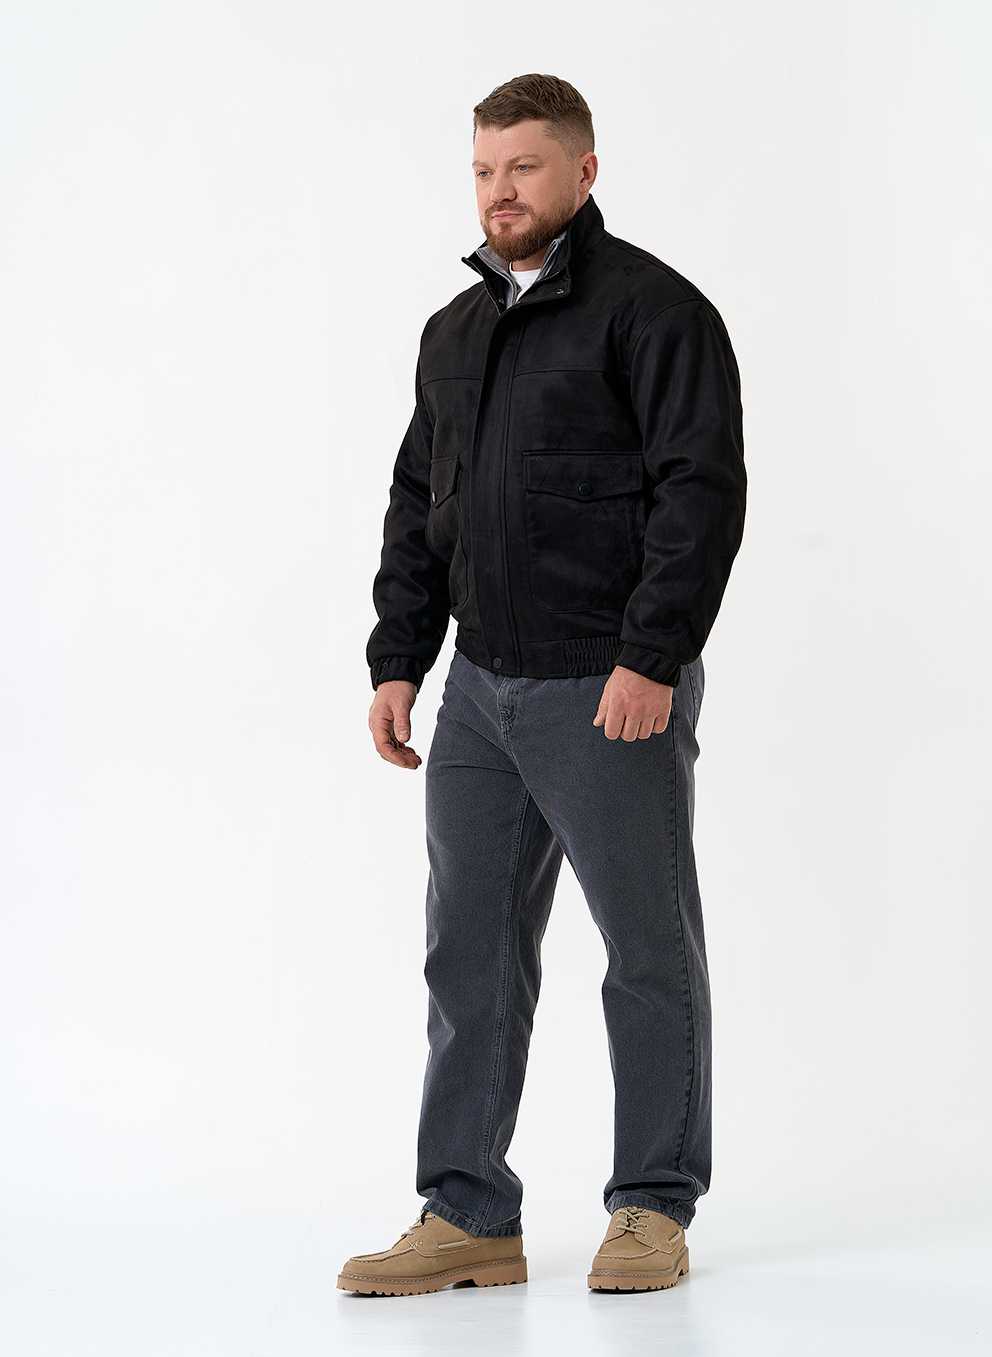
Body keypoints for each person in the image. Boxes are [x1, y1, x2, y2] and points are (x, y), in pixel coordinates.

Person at [338, 73, 745, 1297]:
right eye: (482, 169)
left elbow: (698, 494)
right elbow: (418, 502)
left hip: (603, 686)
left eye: (522, 166)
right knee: (467, 952)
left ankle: (651, 1205)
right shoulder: (454, 332)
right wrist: (398, 657)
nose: (499, 191)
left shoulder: (654, 312)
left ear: (582, 170)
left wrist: (650, 655)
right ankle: (466, 1210)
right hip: (478, 691)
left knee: (645, 953)